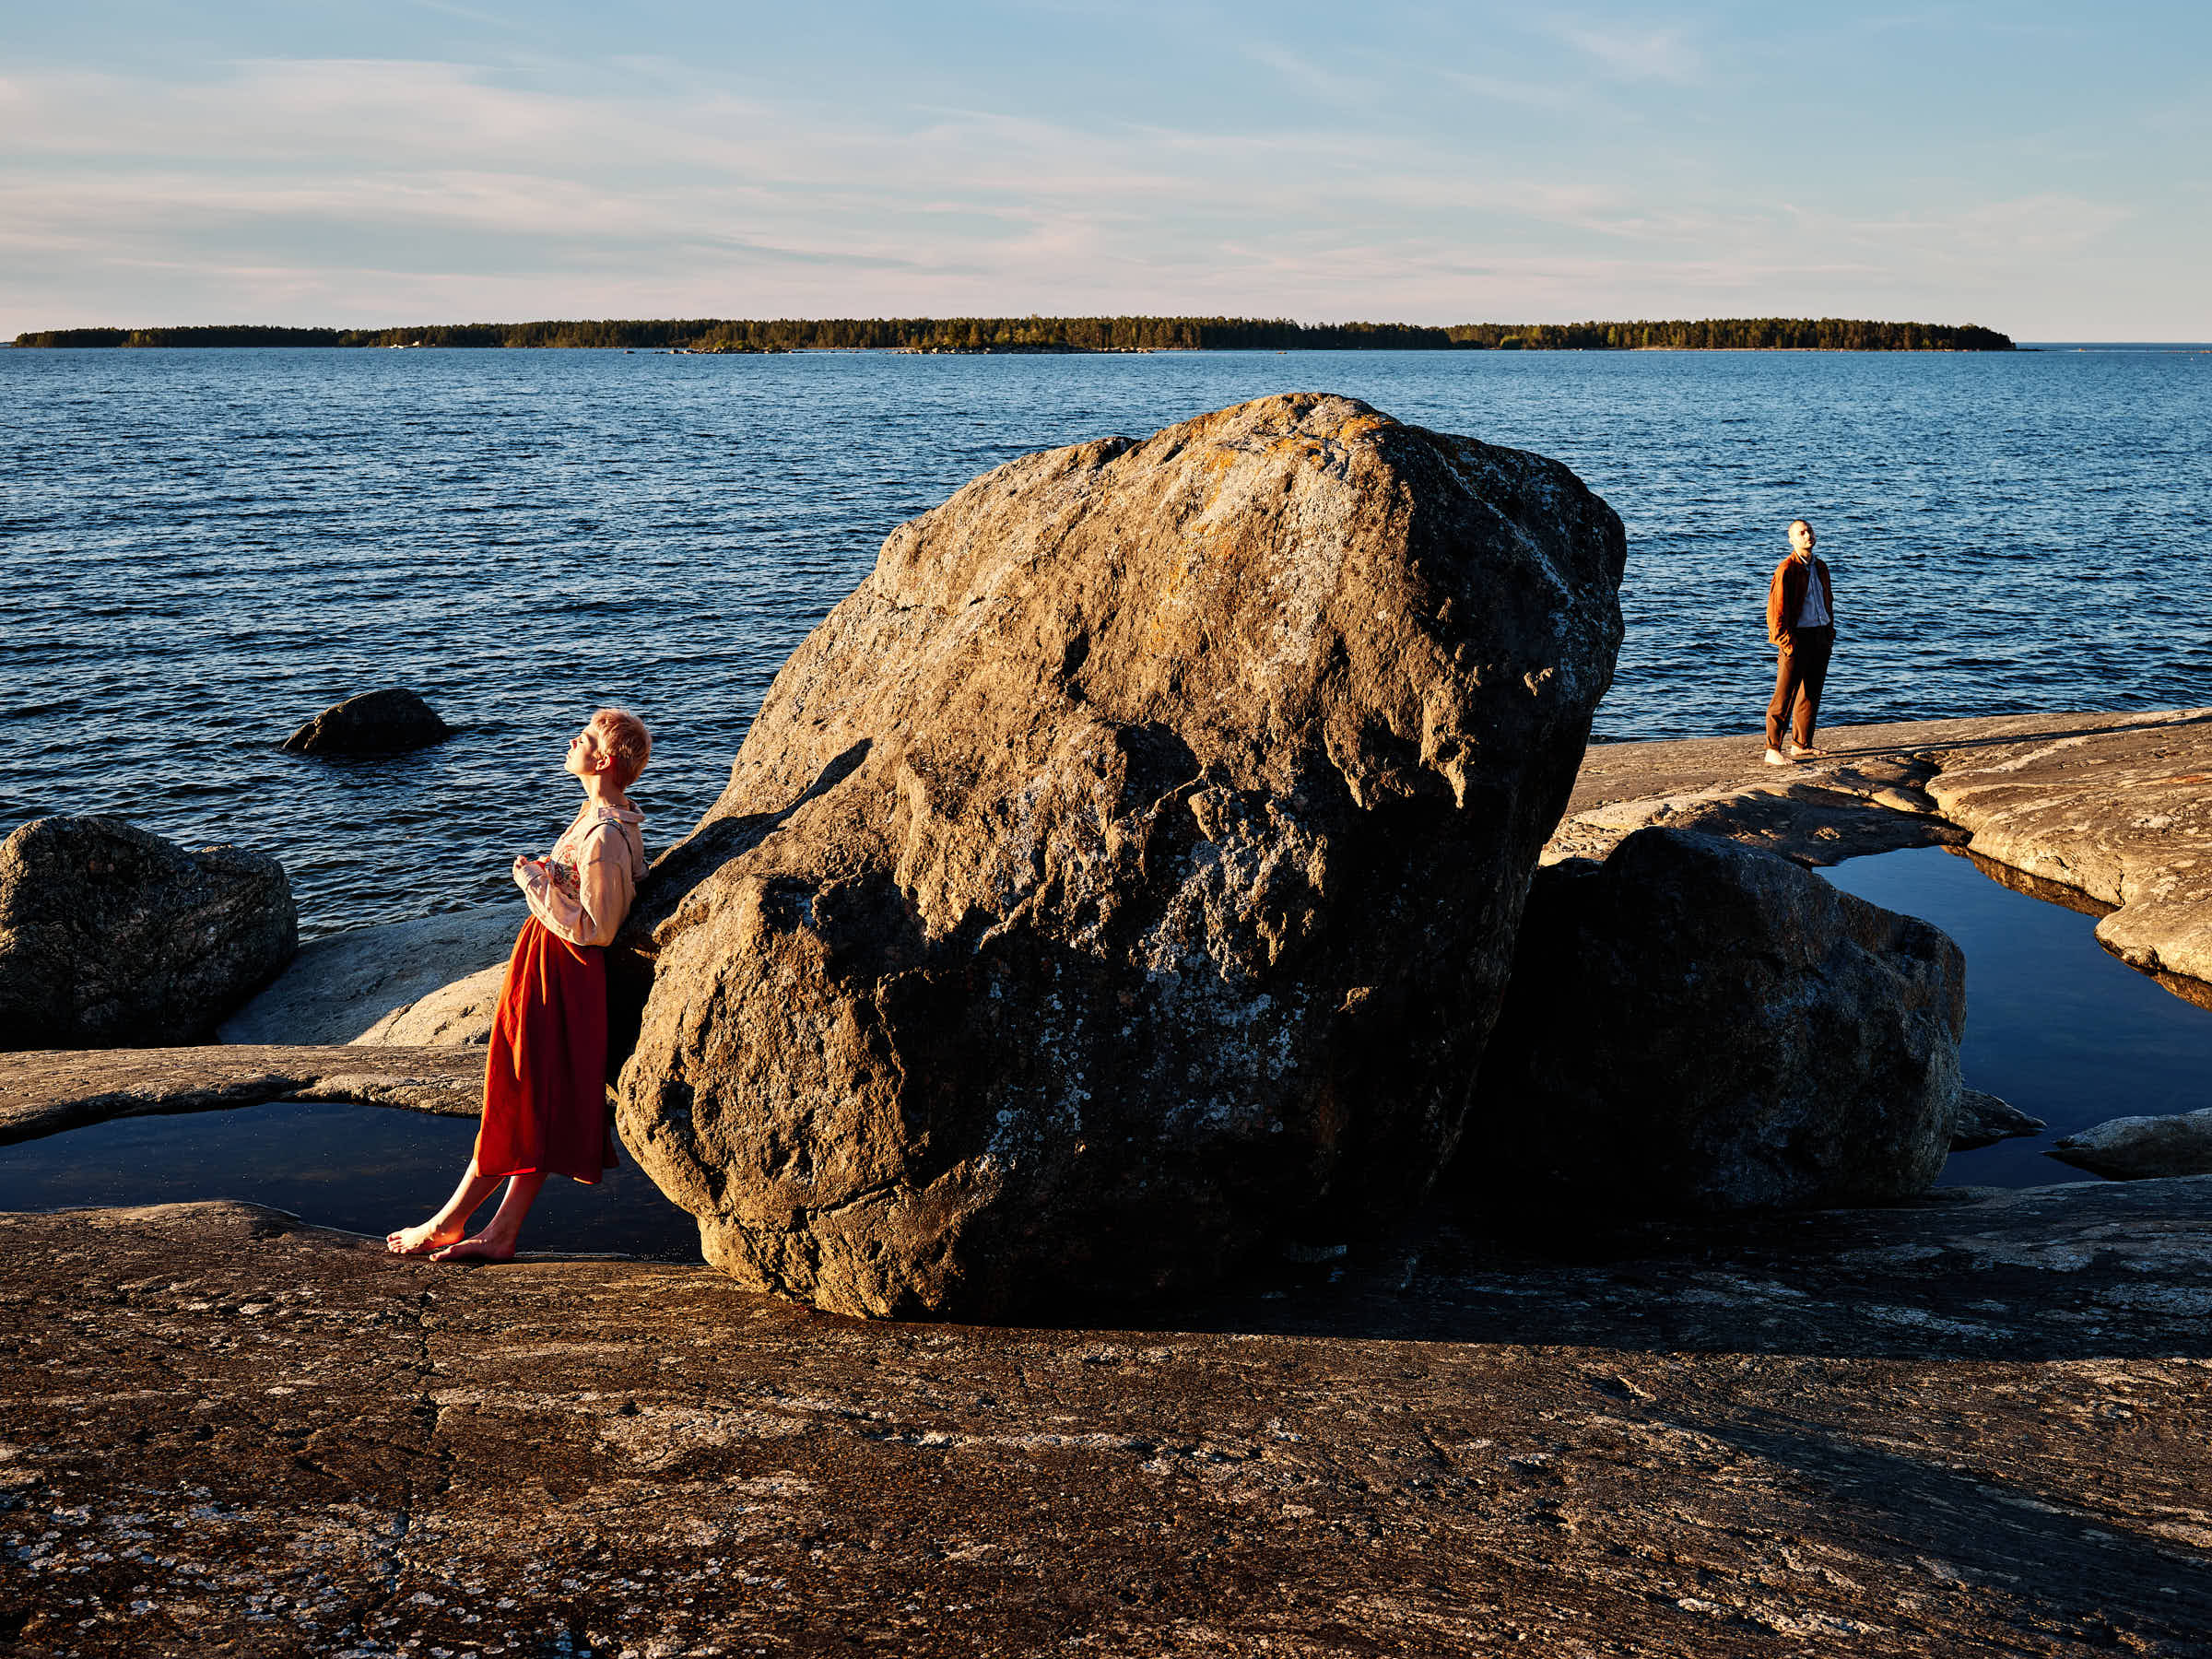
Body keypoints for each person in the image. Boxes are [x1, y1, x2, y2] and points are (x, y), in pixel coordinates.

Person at [387, 708, 651, 1262]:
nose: (572, 741)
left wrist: (534, 882)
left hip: (561, 972)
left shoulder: (605, 833)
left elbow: (598, 930)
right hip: (548, 966)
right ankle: (492, 1229)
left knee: (520, 1094)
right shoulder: (608, 816)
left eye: (583, 737)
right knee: (535, 1100)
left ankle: (451, 1222)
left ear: (601, 759)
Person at [1763, 519, 1837, 765]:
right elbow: (1775, 613)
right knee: (1784, 695)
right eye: (1801, 533)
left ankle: (1801, 744)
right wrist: (1787, 642)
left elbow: (1828, 603)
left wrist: (1829, 634)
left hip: (1820, 636)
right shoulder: (1787, 569)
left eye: (1810, 531)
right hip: (1796, 639)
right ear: (1792, 540)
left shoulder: (1821, 567)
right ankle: (1773, 749)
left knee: (1811, 694)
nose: (1808, 536)